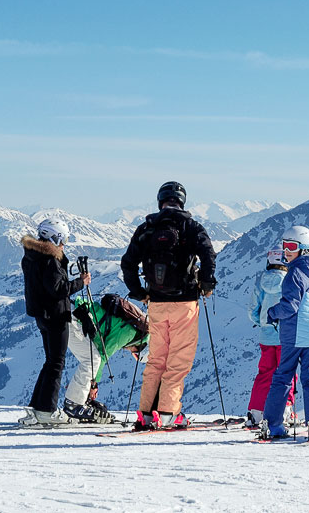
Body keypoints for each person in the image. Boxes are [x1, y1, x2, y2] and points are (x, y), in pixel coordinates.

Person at [120, 181, 216, 430]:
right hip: (185, 303)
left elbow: (128, 263)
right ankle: (167, 413)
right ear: (182, 201)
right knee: (179, 360)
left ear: (160, 201)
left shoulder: (147, 228)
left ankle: (146, 413)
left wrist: (138, 293)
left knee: (156, 359)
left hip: (156, 304)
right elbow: (208, 253)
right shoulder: (190, 227)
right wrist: (206, 284)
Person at [260, 226, 309, 441]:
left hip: (295, 334)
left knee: (282, 377)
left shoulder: (293, 275)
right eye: (284, 245)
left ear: (304, 250)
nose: (286, 251)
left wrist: (273, 312)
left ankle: (273, 424)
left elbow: (290, 306)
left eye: (291, 246)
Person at [21, 218, 90, 424]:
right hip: (56, 315)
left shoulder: (32, 255)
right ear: (55, 236)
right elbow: (59, 290)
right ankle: (47, 411)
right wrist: (81, 282)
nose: (64, 244)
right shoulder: (50, 259)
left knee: (50, 361)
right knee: (56, 363)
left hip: (41, 315)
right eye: (63, 239)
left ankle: (38, 407)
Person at [63, 294, 150, 423]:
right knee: (93, 359)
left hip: (73, 312)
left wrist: (87, 385)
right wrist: (93, 384)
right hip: (74, 318)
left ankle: (79, 400)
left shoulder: (133, 329)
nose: (131, 353)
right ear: (140, 348)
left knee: (91, 358)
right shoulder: (129, 334)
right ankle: (74, 404)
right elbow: (102, 355)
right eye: (136, 355)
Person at [244, 248, 297, 428]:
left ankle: (256, 413)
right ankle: (285, 411)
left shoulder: (261, 281)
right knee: (286, 373)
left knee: (265, 373)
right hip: (286, 337)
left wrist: (263, 322)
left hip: (266, 337)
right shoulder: (290, 280)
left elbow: (253, 309)